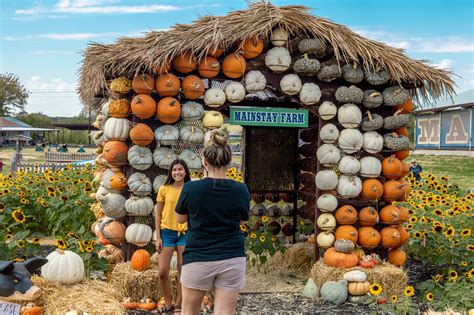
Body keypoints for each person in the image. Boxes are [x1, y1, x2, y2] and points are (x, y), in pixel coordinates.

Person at [175, 129, 250, 315]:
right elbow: (241, 220)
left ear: (204, 162)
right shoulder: (240, 189)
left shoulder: (191, 188)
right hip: (232, 256)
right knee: (225, 311)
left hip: (198, 256)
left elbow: (180, 218)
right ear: (229, 161)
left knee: (189, 311)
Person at [155, 159, 191, 313]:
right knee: (163, 272)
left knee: (183, 269)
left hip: (185, 233)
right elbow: (157, 215)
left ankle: (178, 304)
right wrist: (158, 237)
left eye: (180, 169)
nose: (177, 172)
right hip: (167, 233)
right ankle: (168, 301)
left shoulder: (190, 189)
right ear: (170, 172)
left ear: (185, 172)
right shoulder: (164, 189)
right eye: (174, 170)